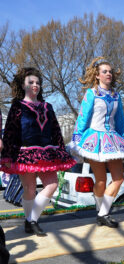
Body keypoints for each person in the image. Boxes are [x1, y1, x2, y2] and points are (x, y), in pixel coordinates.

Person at [0, 67, 76, 236]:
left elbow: (56, 130)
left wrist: (61, 151)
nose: (35, 85)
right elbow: (11, 131)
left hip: (47, 153)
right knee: (30, 188)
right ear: (23, 85)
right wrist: (6, 156)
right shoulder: (17, 106)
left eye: (38, 83)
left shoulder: (48, 106)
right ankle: (31, 223)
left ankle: (31, 220)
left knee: (52, 185)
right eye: (31, 82)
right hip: (25, 153)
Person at [68, 57, 124, 228]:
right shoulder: (91, 93)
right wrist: (77, 139)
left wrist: (123, 141)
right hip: (94, 140)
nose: (108, 74)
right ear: (97, 76)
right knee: (100, 180)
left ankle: (103, 213)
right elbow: (83, 118)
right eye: (104, 71)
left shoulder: (117, 96)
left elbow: (120, 120)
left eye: (110, 71)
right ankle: (101, 211)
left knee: (119, 178)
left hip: (113, 139)